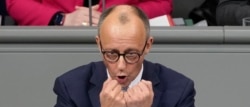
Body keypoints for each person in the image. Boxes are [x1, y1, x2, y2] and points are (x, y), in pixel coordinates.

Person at [50, 5, 200, 107]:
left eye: (131, 54)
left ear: (148, 45)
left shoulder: (179, 88)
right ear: (99, 43)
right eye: (111, 54)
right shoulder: (70, 86)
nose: (121, 66)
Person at [6, 0, 172, 26]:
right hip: (57, 38)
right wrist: (61, 19)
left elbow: (163, 3)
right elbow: (15, 2)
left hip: (121, 39)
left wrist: (121, 14)